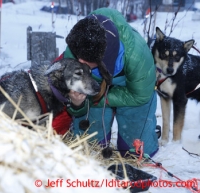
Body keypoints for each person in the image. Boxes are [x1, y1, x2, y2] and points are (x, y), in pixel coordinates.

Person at [62, 8, 158, 157]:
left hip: (131, 88)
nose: (79, 61)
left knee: (134, 149)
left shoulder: (137, 57)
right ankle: (97, 141)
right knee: (89, 147)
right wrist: (76, 103)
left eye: (86, 59)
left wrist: (103, 98)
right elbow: (75, 102)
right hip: (97, 87)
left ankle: (133, 144)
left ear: (104, 58)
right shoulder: (76, 47)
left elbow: (141, 95)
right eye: (78, 56)